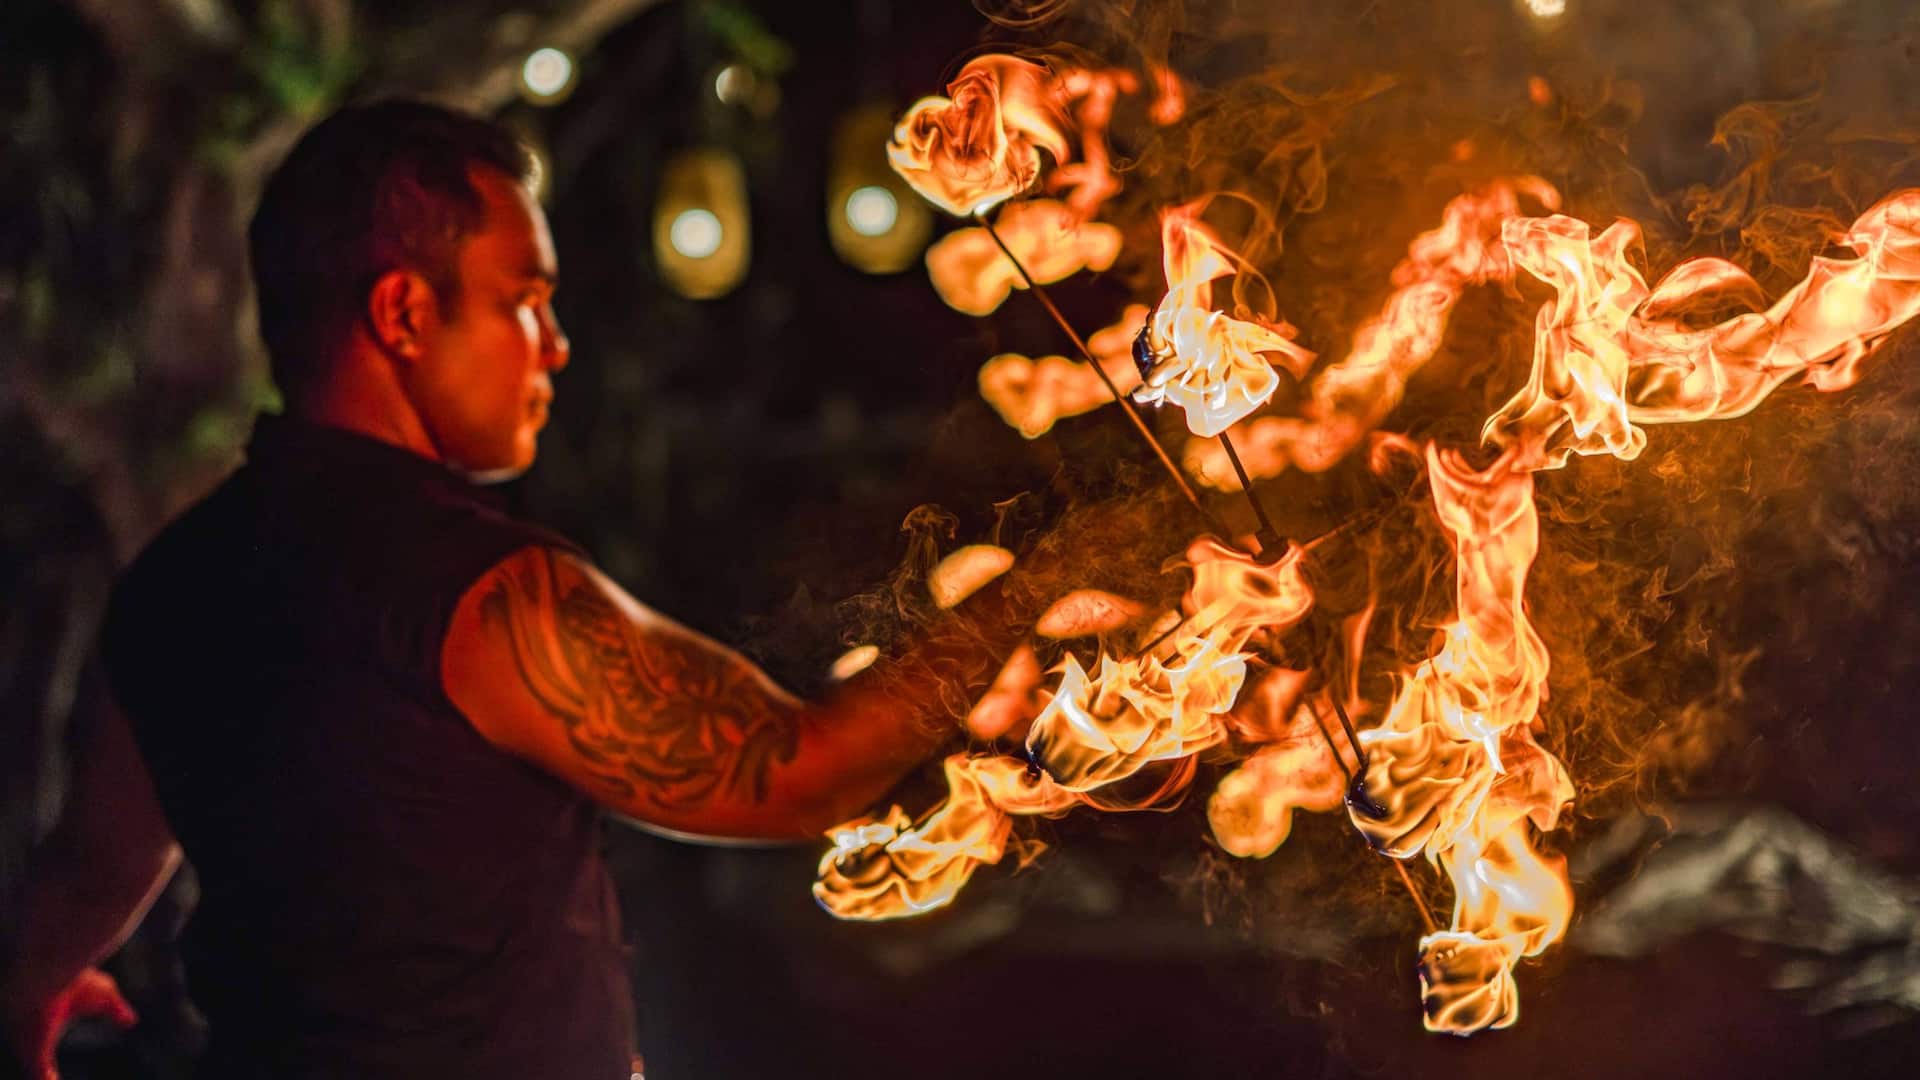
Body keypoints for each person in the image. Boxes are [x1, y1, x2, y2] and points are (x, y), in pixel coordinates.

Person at [0, 100, 1016, 1079]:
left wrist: (30, 983)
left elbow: (95, 861)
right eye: (524, 301)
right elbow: (802, 772)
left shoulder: (178, 581)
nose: (556, 347)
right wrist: (1045, 587)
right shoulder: (479, 595)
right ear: (402, 313)